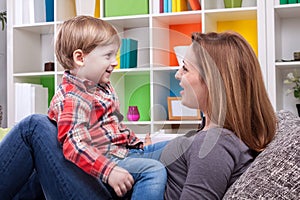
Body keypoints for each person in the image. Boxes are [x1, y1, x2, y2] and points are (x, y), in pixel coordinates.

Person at [0, 15, 167, 200]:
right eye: (108, 55)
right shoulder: (74, 96)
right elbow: (75, 144)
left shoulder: (102, 88)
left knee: (174, 149)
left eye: (115, 54)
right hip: (103, 162)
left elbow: (115, 128)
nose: (115, 61)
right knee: (154, 170)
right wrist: (109, 170)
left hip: (119, 153)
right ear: (80, 58)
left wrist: (140, 144)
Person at [159, 32, 277, 199]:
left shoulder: (213, 145)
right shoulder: (212, 136)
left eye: (185, 68)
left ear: (212, 81)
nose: (178, 74)